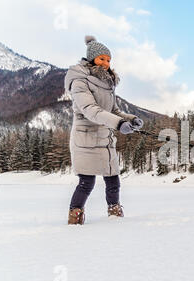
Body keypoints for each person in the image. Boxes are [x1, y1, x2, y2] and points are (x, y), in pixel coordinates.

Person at [64, 35, 144, 225]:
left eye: (108, 60)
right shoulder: (80, 81)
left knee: (113, 180)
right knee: (87, 182)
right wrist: (118, 124)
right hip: (86, 138)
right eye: (102, 59)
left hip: (105, 139)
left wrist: (131, 119)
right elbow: (91, 110)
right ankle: (75, 217)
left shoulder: (107, 82)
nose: (106, 63)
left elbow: (112, 111)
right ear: (91, 59)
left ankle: (115, 216)